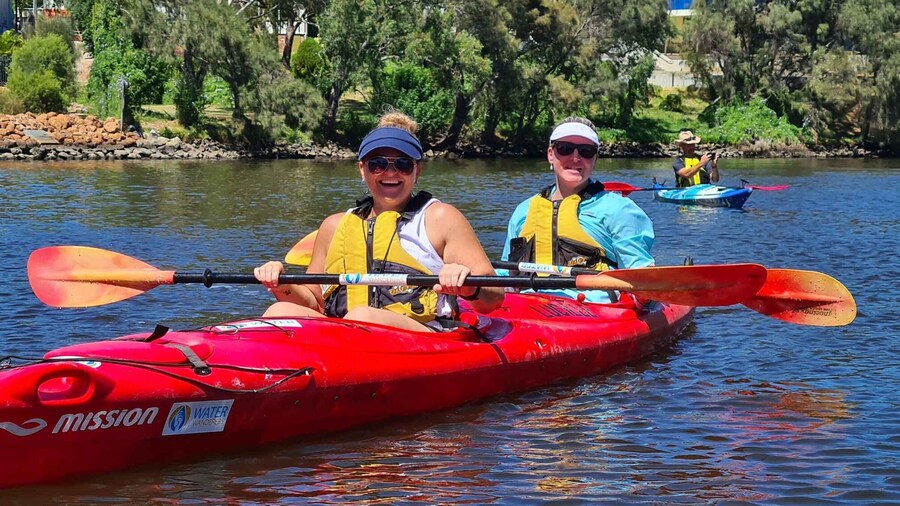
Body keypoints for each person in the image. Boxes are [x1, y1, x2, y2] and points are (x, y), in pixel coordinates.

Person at [254, 112, 504, 332]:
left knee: (362, 316)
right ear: (362, 169)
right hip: (346, 334)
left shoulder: (440, 218)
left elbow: (494, 299)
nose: (391, 173)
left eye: (403, 165)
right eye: (378, 164)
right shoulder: (334, 226)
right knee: (279, 312)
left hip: (419, 337)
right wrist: (280, 283)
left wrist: (467, 284)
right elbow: (314, 302)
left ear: (417, 171)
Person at [500, 117, 655, 304]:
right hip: (526, 305)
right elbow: (504, 274)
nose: (575, 158)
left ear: (595, 159)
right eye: (565, 148)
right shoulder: (523, 211)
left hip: (594, 310)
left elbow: (637, 273)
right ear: (550, 154)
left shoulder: (619, 210)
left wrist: (646, 290)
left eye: (586, 151)